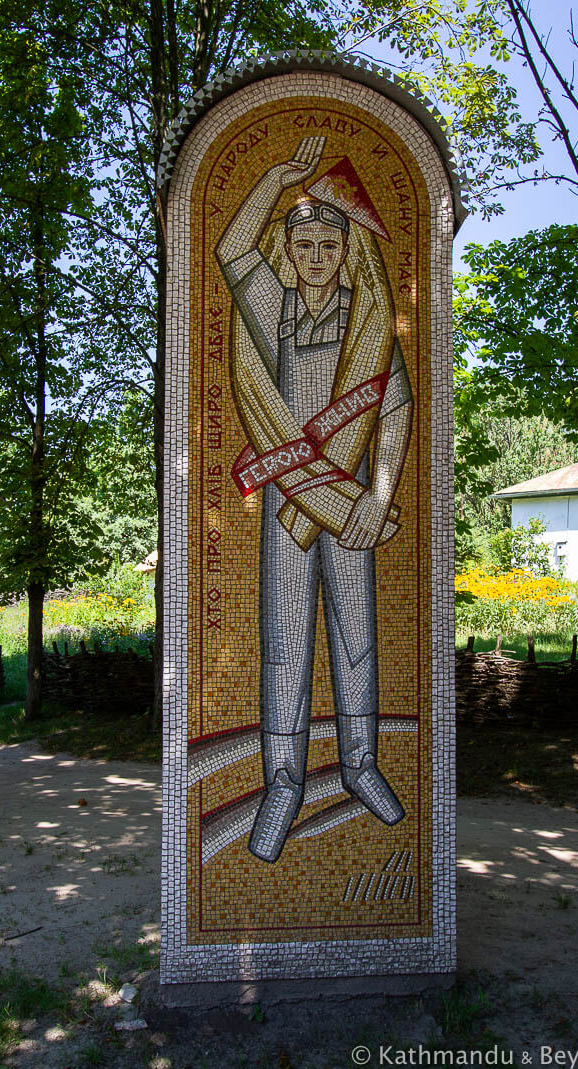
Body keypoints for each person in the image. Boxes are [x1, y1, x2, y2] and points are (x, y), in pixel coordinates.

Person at [216, 136, 414, 863]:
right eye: (303, 245)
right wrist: (274, 176)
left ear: (344, 250)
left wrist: (381, 490)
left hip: (352, 511)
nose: (317, 256)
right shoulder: (270, 310)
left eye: (329, 242)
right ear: (290, 253)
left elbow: (396, 408)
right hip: (287, 509)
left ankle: (360, 766)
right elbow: (232, 252)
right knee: (283, 644)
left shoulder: (367, 321)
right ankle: (284, 780)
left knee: (357, 637)